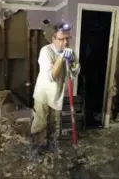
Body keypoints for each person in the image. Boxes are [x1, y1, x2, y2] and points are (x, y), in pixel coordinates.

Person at [29, 23, 81, 161]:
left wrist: (73, 63)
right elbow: (51, 76)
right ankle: (35, 150)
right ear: (53, 38)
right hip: (43, 95)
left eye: (67, 39)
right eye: (61, 39)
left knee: (54, 124)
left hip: (57, 95)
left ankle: (52, 146)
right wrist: (61, 57)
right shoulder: (46, 51)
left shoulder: (70, 52)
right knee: (40, 123)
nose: (65, 42)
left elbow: (73, 74)